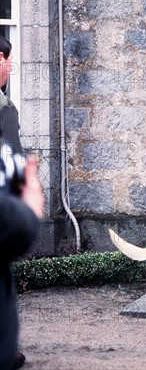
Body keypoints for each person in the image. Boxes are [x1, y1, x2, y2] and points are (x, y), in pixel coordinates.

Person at [0, 34, 44, 370]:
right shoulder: (4, 108)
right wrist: (27, 210)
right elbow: (11, 169)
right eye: (9, 59)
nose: (10, 67)